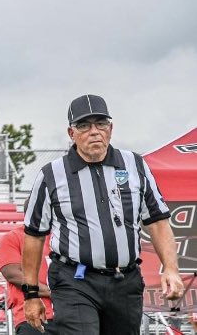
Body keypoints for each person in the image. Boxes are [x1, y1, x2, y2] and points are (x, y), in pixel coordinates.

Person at [22, 94, 183, 333]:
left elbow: (158, 221)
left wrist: (171, 268)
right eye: (84, 125)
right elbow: (34, 236)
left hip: (125, 281)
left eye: (101, 123)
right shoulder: (51, 175)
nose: (94, 131)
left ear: (111, 128)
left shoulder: (135, 165)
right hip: (74, 279)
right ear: (71, 133)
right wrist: (31, 294)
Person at [0, 226, 55, 334]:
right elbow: (13, 275)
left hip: (73, 316)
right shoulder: (13, 237)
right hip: (35, 319)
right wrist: (55, 293)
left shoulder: (68, 238)